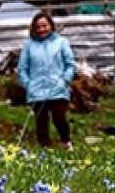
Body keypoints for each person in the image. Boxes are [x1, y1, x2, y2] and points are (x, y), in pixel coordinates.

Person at [17, 11, 77, 150]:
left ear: (51, 26)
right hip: (37, 89)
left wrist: (65, 81)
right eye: (38, 27)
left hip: (58, 88)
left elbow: (70, 64)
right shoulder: (29, 45)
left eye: (44, 26)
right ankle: (44, 146)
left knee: (59, 117)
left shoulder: (61, 42)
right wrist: (28, 85)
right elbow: (22, 69)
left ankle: (66, 141)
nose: (41, 29)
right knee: (41, 120)